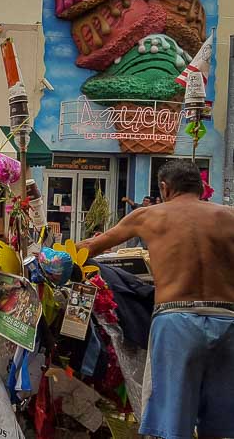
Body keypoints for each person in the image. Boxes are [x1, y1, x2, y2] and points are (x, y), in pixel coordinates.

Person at [78, 160, 234, 439]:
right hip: (227, 321)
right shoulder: (229, 216)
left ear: (164, 187)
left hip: (177, 322)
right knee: (220, 426)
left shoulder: (148, 216)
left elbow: (90, 248)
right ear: (200, 188)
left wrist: (50, 254)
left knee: (172, 425)